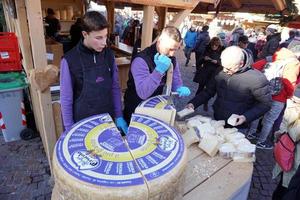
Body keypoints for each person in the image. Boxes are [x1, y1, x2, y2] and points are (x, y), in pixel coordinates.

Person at [60, 11, 128, 134]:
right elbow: (66, 99)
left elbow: (115, 87)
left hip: (108, 118)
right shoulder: (69, 60)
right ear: (85, 34)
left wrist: (119, 115)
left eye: (105, 36)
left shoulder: (109, 55)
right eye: (98, 38)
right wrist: (69, 128)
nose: (104, 42)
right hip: (83, 122)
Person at [186, 46, 271, 131]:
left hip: (239, 126)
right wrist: (194, 103)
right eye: (223, 67)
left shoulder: (257, 79)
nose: (225, 71)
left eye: (229, 68)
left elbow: (265, 104)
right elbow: (209, 91)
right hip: (218, 119)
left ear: (241, 64)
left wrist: (245, 117)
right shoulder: (221, 70)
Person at [123, 26, 191, 123]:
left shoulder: (171, 59)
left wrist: (179, 89)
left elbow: (176, 81)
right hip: (135, 107)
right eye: (170, 49)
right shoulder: (141, 60)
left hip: (154, 106)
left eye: (175, 49)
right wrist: (158, 71)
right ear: (159, 42)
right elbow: (143, 93)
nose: (172, 54)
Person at [193, 37, 223, 112]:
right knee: (200, 88)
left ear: (218, 45)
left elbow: (224, 63)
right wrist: (204, 58)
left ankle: (205, 102)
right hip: (205, 72)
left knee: (209, 89)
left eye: (216, 45)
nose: (214, 47)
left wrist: (218, 62)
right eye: (213, 45)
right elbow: (199, 61)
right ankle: (194, 104)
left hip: (214, 73)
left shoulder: (222, 51)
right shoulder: (207, 49)